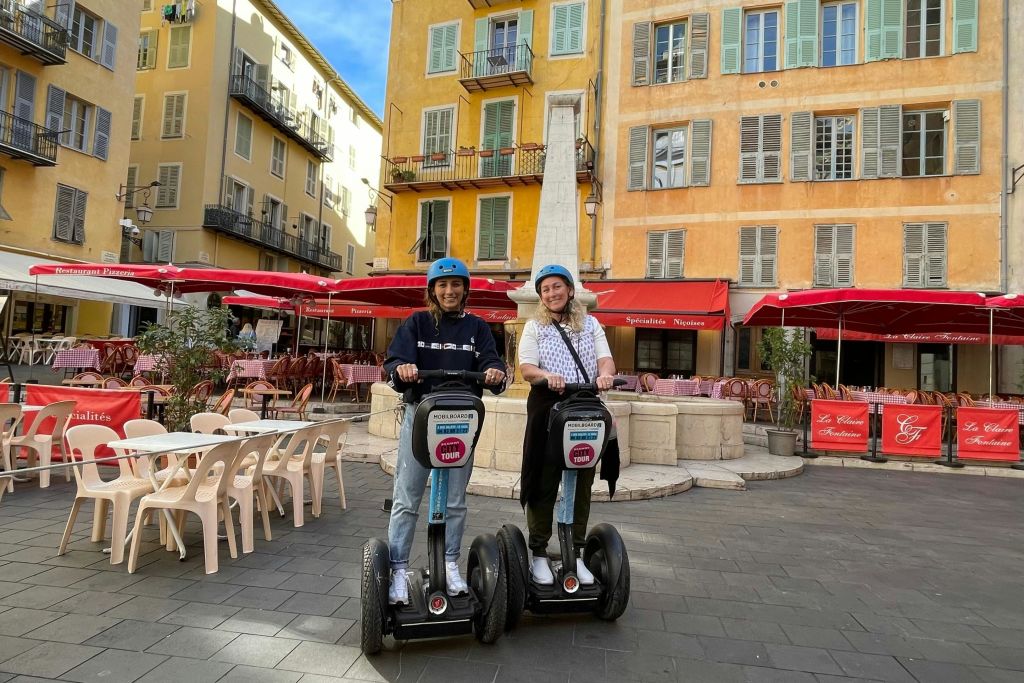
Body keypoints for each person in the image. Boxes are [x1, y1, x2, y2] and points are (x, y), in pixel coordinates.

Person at [383, 257, 507, 604]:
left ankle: (451, 564)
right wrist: (403, 368)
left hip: (459, 421)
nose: (449, 291)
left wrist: (495, 372)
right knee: (407, 499)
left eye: (456, 285)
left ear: (465, 290)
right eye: (443, 285)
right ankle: (397, 570)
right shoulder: (417, 324)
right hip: (421, 417)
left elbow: (491, 362)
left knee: (455, 501)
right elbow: (392, 364)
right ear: (432, 291)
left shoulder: (478, 328)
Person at [517, 264, 616, 586]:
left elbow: (605, 359)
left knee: (582, 478)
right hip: (548, 407)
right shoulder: (534, 327)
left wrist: (606, 374)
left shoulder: (591, 324)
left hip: (584, 404)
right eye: (545, 289)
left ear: (570, 290)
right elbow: (527, 368)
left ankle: (575, 548)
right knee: (544, 480)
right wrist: (547, 376)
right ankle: (539, 553)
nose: (551, 293)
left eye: (557, 287)